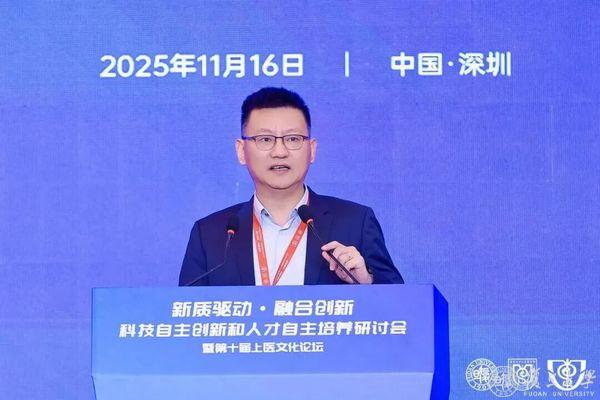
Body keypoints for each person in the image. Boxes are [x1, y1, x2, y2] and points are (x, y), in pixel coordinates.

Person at [179, 87, 403, 286]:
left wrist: (366, 281)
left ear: (312, 150)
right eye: (265, 139)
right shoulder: (210, 234)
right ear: (241, 151)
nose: (280, 152)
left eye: (293, 139)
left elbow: (400, 308)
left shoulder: (356, 222)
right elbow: (185, 312)